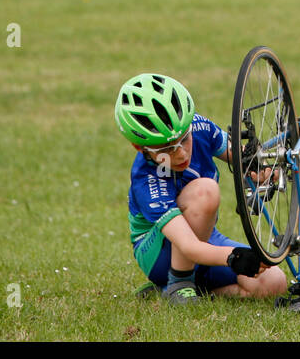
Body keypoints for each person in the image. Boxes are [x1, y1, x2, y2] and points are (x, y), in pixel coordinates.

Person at [115, 72, 289, 304]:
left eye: (184, 139)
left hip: (206, 240)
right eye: (167, 148)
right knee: (205, 191)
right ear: (140, 147)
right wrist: (233, 258)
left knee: (274, 282)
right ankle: (178, 282)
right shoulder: (146, 178)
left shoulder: (198, 126)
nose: (181, 153)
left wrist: (263, 171)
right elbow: (187, 244)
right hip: (161, 253)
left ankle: (173, 290)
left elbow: (243, 160)